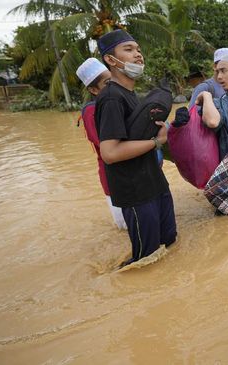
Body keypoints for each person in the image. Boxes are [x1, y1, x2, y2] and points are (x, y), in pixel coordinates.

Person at [95, 29, 176, 267]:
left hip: (154, 182)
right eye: (129, 50)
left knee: (168, 242)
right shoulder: (111, 98)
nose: (138, 55)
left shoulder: (130, 94)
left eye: (139, 49)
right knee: (146, 258)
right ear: (111, 60)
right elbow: (109, 153)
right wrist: (157, 142)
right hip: (135, 191)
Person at [75, 58, 127, 229]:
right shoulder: (91, 112)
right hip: (114, 178)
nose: (113, 86)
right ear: (93, 90)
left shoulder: (118, 102)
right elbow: (108, 145)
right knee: (127, 229)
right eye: (106, 83)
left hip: (131, 175)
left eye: (112, 80)